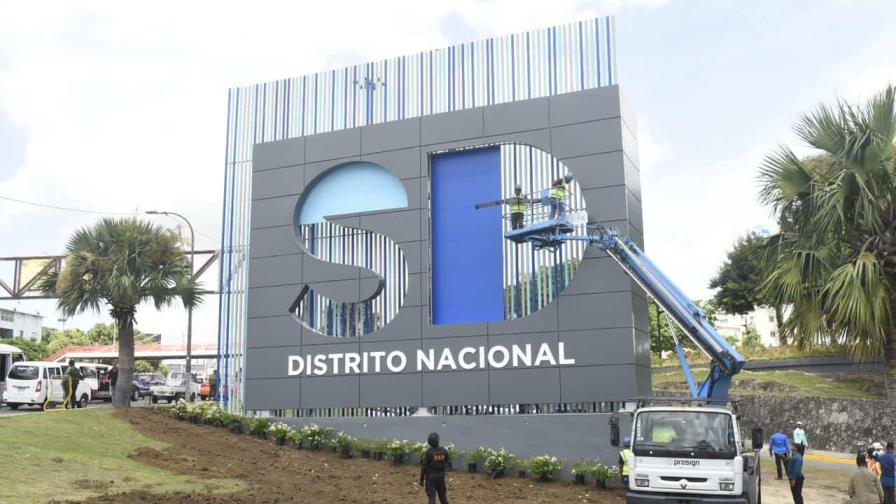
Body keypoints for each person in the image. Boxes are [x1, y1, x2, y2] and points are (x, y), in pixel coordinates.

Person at [419, 432, 449, 504]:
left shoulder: (428, 453)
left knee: (432, 498)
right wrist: (443, 470)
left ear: (429, 442)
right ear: (438, 441)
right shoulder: (444, 451)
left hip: (431, 478)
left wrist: (421, 479)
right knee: (443, 498)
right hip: (441, 477)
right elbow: (447, 462)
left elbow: (424, 467)